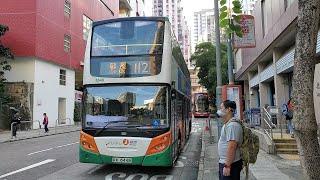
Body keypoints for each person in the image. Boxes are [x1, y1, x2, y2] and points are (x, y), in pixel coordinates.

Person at [217, 100, 243, 180]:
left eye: (221, 108)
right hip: (226, 162)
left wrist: (227, 166)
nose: (219, 110)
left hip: (231, 164)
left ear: (228, 109)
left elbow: (232, 147)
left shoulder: (232, 125)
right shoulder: (228, 123)